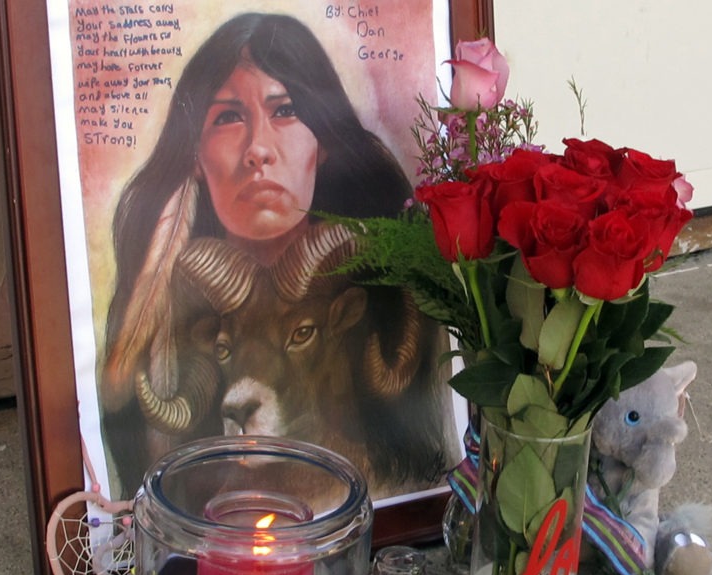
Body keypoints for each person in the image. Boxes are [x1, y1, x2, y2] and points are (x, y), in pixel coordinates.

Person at [98, 13, 453, 498]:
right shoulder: (173, 309)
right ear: (195, 156)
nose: (257, 149)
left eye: (284, 110)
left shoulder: (389, 300)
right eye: (227, 117)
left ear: (322, 142)